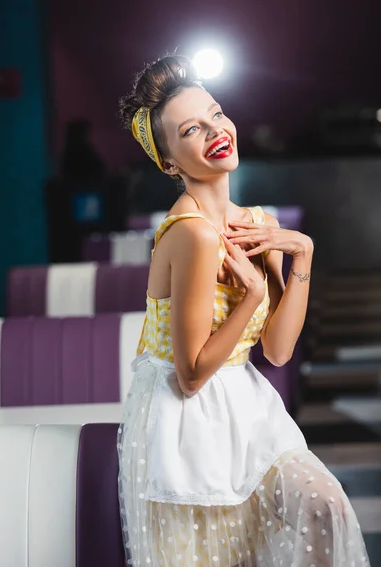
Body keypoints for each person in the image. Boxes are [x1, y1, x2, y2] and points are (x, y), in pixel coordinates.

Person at [117, 55, 370, 566]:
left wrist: (303, 254)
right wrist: (252, 295)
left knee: (326, 505)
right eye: (191, 129)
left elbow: (277, 351)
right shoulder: (189, 234)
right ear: (169, 162)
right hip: (184, 420)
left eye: (216, 114)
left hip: (247, 406)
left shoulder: (255, 222)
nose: (215, 131)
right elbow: (189, 375)